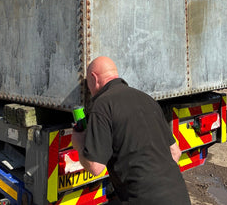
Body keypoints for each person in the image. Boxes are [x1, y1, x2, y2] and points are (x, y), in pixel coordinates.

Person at [71, 56, 191, 205]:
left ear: (94, 78)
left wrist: (79, 144)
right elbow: (175, 152)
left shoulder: (102, 105)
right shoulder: (148, 100)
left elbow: (96, 167)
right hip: (178, 196)